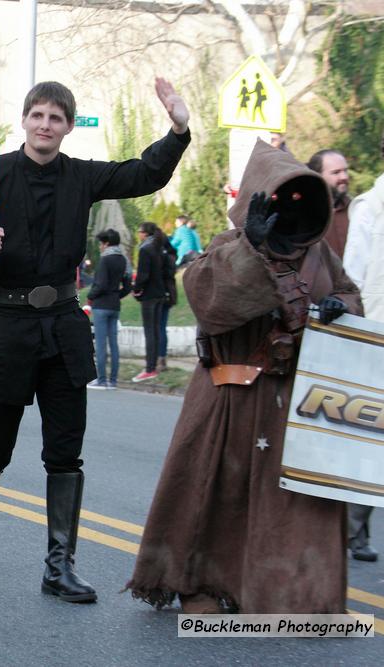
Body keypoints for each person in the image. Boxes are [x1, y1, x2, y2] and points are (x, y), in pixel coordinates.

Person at [0, 78, 190, 601]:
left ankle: (60, 564)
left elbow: (142, 173)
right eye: (38, 115)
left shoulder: (80, 176)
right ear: (25, 120)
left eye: (56, 118)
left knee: (65, 452)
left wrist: (177, 128)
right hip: (6, 327)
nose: (45, 125)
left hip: (61, 326)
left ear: (67, 126)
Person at [127, 139, 362, 614]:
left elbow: (348, 294)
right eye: (283, 196)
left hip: (296, 405)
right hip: (231, 402)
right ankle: (209, 584)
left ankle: (290, 591)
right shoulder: (226, 248)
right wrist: (252, 249)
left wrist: (342, 309)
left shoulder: (320, 256)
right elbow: (212, 305)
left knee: (291, 508)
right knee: (222, 498)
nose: (292, 208)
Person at [342, 139, 384, 564]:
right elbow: (353, 275)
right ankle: (354, 530)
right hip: (378, 337)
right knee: (371, 442)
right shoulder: (371, 207)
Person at [86, 229, 131, 389]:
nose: (100, 247)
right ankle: (113, 380)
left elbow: (101, 284)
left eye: (101, 243)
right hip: (114, 305)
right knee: (113, 344)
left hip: (101, 305)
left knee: (100, 344)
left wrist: (90, 295)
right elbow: (127, 285)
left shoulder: (105, 260)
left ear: (106, 243)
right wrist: (117, 295)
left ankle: (101, 379)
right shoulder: (123, 260)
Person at [131, 222, 167, 382]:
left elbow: (143, 274)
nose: (138, 234)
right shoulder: (160, 247)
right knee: (157, 330)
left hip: (149, 295)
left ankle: (149, 368)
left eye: (139, 231)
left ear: (145, 233)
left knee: (149, 332)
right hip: (160, 293)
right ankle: (155, 364)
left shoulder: (145, 249)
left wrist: (136, 289)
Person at [306, 149, 350, 259]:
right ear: (317, 175)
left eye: (345, 171)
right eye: (336, 172)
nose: (344, 177)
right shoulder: (304, 214)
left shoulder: (356, 210)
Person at [156, 231, 178, 372]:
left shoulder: (160, 256)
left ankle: (158, 359)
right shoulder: (171, 256)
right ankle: (162, 359)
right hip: (169, 294)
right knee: (162, 327)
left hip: (159, 294)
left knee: (158, 328)